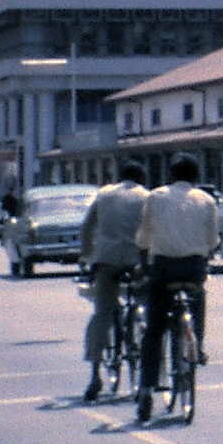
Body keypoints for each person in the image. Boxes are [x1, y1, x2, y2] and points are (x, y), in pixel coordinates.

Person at [133, 155, 218, 424]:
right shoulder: (206, 200)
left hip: (164, 268)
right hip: (193, 267)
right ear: (195, 176)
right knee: (197, 296)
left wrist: (144, 257)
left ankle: (146, 389)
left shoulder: (156, 197)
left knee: (154, 331)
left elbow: (144, 238)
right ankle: (198, 344)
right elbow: (213, 240)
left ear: (171, 175)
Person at [78, 161, 150, 401]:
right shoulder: (147, 197)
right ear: (141, 178)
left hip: (106, 260)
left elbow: (87, 227)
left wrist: (87, 258)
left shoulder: (104, 194)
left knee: (102, 314)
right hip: (136, 261)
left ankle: (95, 374)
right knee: (145, 304)